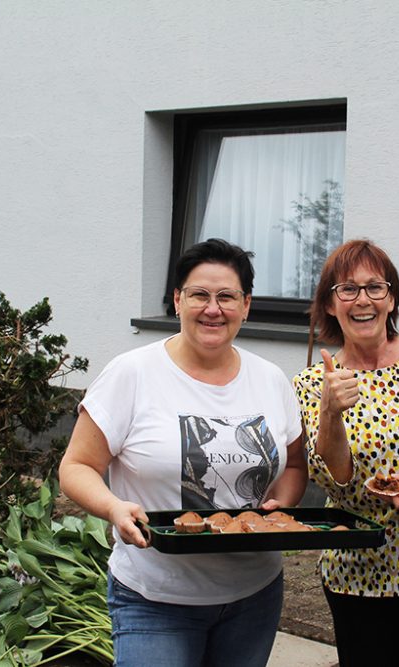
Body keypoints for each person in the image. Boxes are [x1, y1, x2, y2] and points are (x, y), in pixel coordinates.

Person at [59, 238, 307, 667]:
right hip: (155, 597)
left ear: (246, 305)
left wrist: (280, 508)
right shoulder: (132, 373)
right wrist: (115, 508)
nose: (214, 308)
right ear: (178, 300)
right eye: (199, 295)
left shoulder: (270, 379)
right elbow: (76, 466)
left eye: (227, 296)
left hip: (254, 596)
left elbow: (296, 465)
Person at [292, 238, 399, 666]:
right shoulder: (314, 382)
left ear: (392, 299)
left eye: (375, 287)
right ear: (330, 306)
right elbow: (337, 483)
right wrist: (331, 411)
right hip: (360, 576)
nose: (363, 300)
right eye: (347, 290)